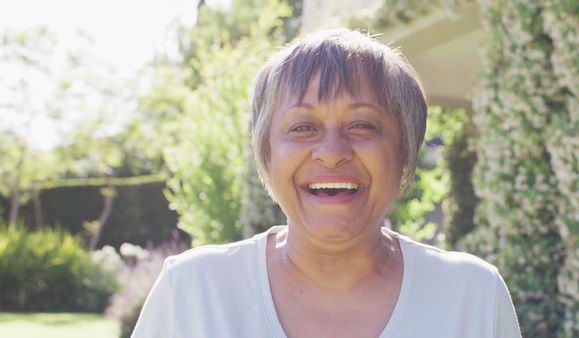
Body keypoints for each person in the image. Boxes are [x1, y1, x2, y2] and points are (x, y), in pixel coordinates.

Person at [132, 28, 521, 338]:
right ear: (266, 155)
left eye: (363, 126)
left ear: (405, 153)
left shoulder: (474, 296)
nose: (331, 152)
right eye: (302, 127)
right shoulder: (191, 292)